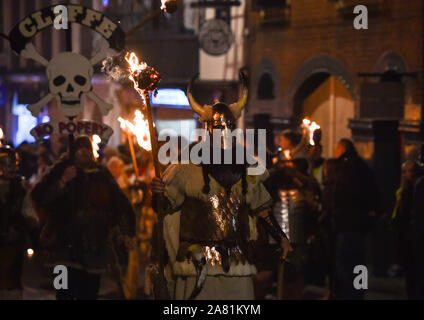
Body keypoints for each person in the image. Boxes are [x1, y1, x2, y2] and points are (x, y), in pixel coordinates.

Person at [150, 73, 292, 300]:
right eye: (216, 128)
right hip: (196, 261)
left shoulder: (247, 167)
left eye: (226, 128)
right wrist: (157, 192)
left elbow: (261, 208)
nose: (222, 134)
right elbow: (166, 206)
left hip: (237, 260)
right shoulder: (186, 166)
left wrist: (281, 237)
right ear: (206, 129)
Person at [31, 136, 136, 300]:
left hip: (93, 247)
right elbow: (40, 196)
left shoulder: (101, 173)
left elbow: (120, 203)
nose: (84, 152)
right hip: (63, 248)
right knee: (63, 292)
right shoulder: (60, 169)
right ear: (72, 151)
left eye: (87, 148)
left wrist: (128, 231)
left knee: (89, 294)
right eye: (80, 148)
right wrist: (63, 181)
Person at [332, 138, 378, 300]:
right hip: (359, 223)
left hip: (347, 223)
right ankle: (359, 292)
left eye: (336, 149)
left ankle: (349, 294)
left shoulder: (346, 167)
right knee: (359, 262)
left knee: (346, 263)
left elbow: (342, 195)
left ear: (341, 149)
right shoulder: (361, 166)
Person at [0, 146, 35, 299]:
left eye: (12, 163)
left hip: (12, 238)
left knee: (11, 278)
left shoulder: (21, 186)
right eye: (6, 164)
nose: (10, 168)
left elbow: (28, 212)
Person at [391, 160, 421, 298]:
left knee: (414, 271)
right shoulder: (403, 190)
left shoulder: (415, 189)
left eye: (407, 171)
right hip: (406, 235)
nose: (405, 175)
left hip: (412, 235)